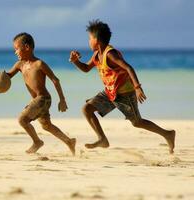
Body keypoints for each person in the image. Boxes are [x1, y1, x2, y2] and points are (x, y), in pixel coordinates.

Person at [69, 20, 175, 154]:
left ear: (97, 40)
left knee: (137, 122)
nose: (88, 41)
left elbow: (128, 67)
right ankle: (102, 139)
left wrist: (137, 87)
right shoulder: (97, 54)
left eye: (90, 38)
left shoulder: (110, 54)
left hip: (125, 93)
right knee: (87, 109)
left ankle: (168, 134)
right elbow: (85, 68)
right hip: (110, 92)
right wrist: (75, 61)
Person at [7, 32, 76, 155]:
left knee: (22, 119)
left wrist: (62, 100)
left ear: (27, 47)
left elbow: (55, 80)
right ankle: (69, 141)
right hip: (38, 101)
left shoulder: (39, 64)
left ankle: (37, 142)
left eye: (17, 49)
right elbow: (7, 77)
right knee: (47, 126)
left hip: (43, 99)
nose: (15, 52)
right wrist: (0, 78)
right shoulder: (20, 65)